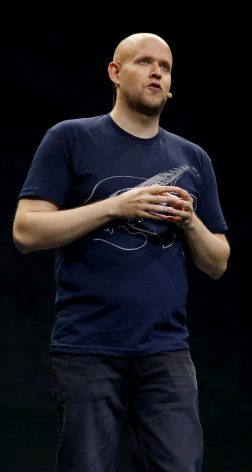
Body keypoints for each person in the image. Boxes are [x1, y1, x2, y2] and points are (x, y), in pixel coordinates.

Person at [12, 32, 229, 471]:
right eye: (144, 62)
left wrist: (190, 221)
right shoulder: (71, 138)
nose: (156, 73)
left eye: (165, 67)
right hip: (88, 347)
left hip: (166, 351)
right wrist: (116, 207)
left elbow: (217, 262)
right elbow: (26, 230)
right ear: (115, 72)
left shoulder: (193, 158)